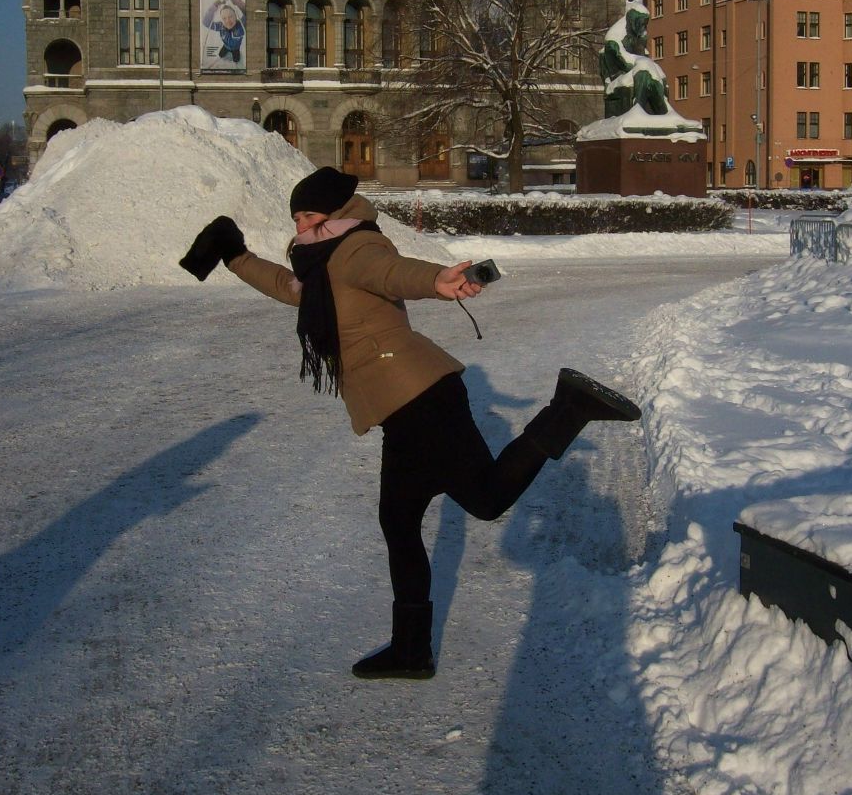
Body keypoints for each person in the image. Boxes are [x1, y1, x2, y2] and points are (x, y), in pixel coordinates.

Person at [181, 167, 641, 681]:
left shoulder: (356, 249)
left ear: (335, 212)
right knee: (399, 522)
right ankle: (411, 650)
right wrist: (236, 255)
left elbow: (392, 272)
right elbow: (288, 287)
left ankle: (570, 408)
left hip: (420, 400)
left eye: (309, 215)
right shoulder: (322, 265)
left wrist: (438, 280)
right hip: (402, 408)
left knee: (486, 500)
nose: (300, 225)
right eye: (296, 218)